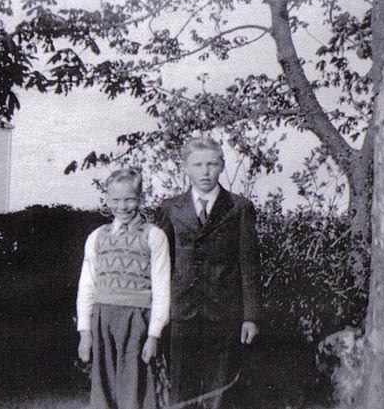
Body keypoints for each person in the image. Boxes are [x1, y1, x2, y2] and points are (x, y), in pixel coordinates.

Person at [157, 137, 260, 409]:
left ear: (222, 165)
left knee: (220, 392)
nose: (205, 172)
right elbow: (162, 265)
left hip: (224, 313)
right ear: (185, 168)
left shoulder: (239, 208)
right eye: (198, 164)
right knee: (182, 390)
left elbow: (249, 265)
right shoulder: (171, 208)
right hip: (182, 312)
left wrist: (250, 316)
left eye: (212, 164)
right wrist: (159, 313)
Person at [76, 169, 171, 409]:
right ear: (107, 200)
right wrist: (85, 332)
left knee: (135, 390)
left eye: (129, 199)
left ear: (140, 198)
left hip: (136, 321)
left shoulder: (154, 236)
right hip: (103, 319)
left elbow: (162, 288)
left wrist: (153, 335)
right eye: (116, 200)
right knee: (103, 390)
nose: (123, 206)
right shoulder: (97, 237)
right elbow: (87, 285)